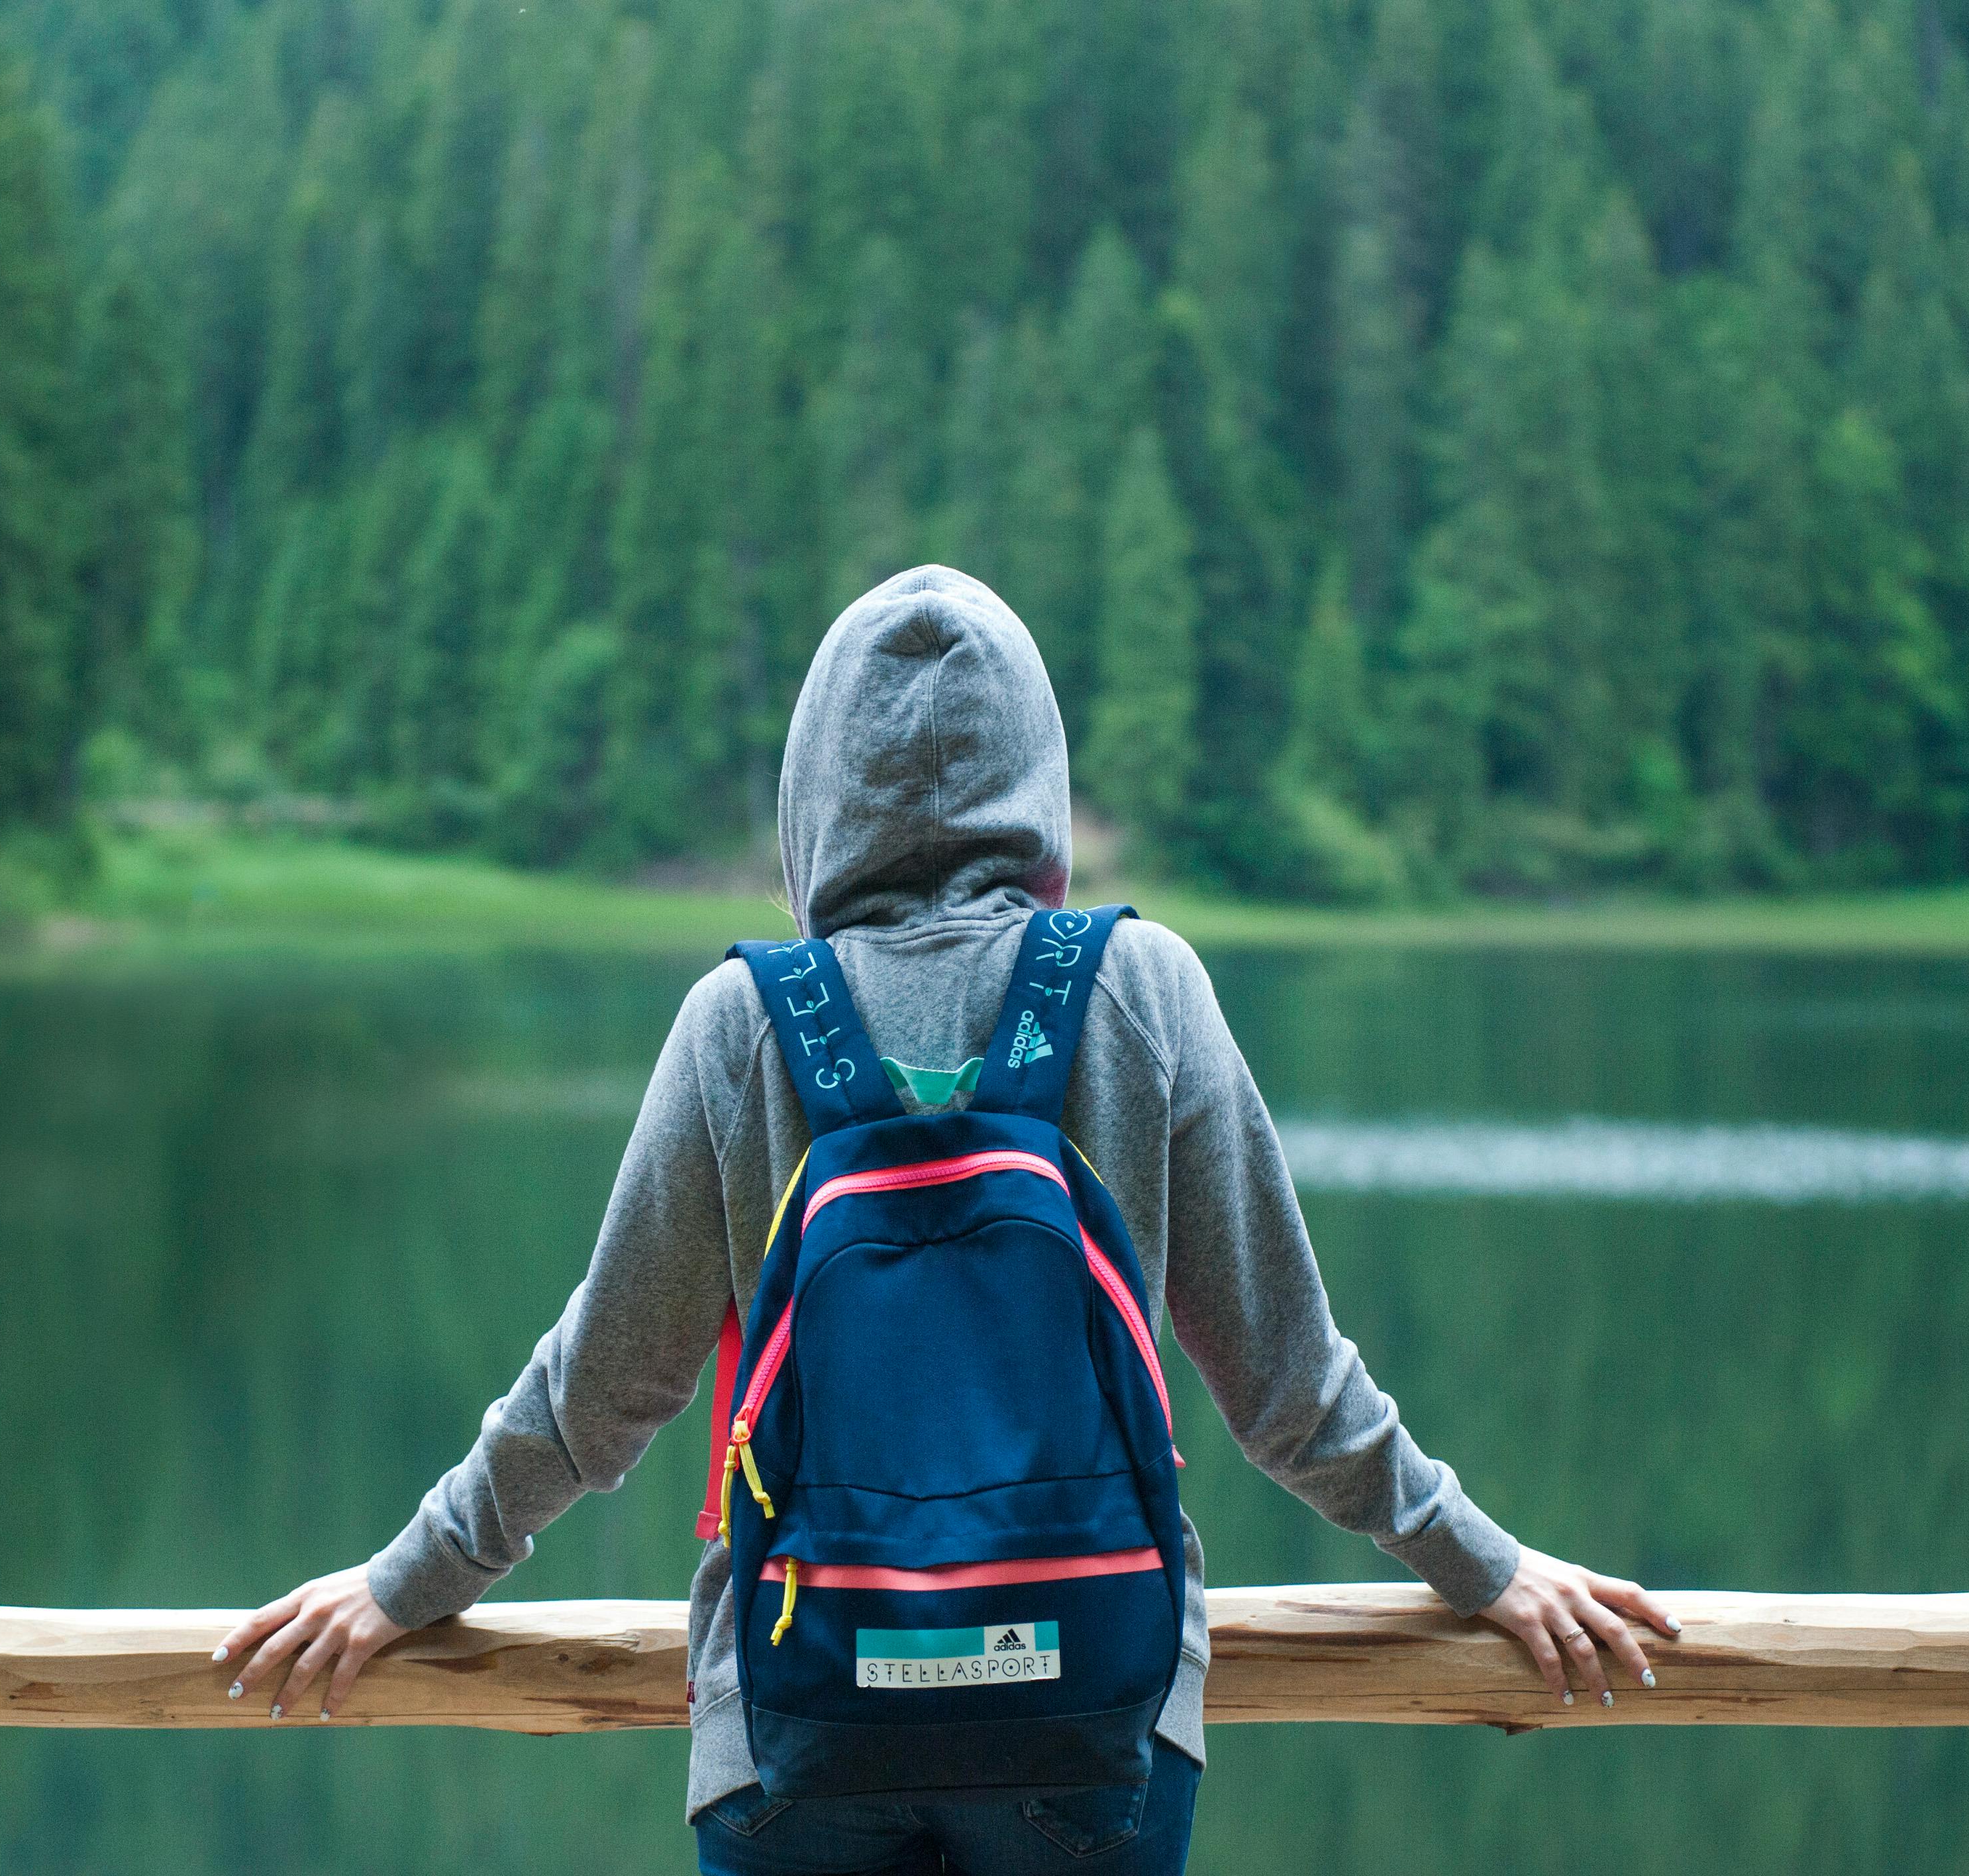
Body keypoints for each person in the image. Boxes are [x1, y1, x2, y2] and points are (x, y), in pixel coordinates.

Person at [219, 566, 1678, 1873]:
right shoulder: (1140, 988)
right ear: (1038, 779)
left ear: (812, 793)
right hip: (1088, 1719)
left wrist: (405, 1582)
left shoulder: (741, 1023)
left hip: (801, 1733)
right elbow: (1290, 1396)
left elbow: (600, 1396)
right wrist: (1485, 1564)